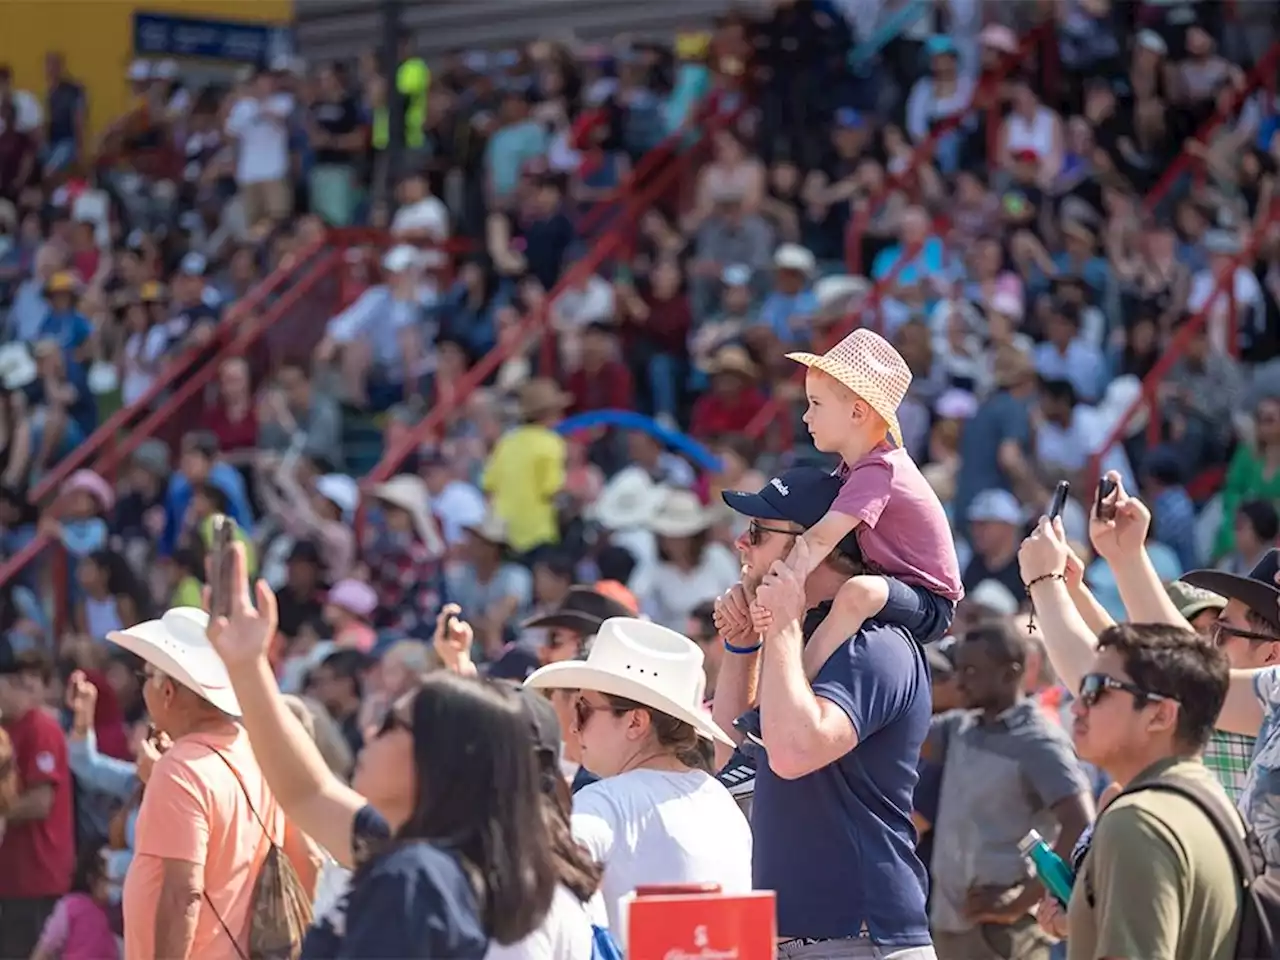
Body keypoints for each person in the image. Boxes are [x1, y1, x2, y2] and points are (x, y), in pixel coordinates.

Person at [189, 542, 584, 958]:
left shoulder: (414, 878)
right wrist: (247, 666)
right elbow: (307, 792)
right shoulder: (442, 860)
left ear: (440, 760)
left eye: (395, 725)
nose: (373, 730)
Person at [713, 466, 935, 958]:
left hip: (859, 939)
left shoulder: (874, 644)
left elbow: (794, 753)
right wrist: (742, 645)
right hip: (807, 940)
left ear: (813, 546)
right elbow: (728, 753)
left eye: (757, 533)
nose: (740, 545)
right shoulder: (805, 636)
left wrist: (783, 627)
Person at [1012, 537, 1242, 960]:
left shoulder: (1139, 821)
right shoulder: (1203, 797)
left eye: (1098, 689)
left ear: (1160, 715)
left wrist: (1046, 582)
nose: (1078, 703)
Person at [524, 617, 751, 941]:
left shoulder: (605, 801)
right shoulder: (719, 799)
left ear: (635, 722)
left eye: (584, 709)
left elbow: (541, 888)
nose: (574, 727)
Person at [751, 328, 962, 677]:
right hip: (890, 582)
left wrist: (780, 586)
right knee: (821, 608)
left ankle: (792, 692)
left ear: (858, 413)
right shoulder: (855, 466)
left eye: (816, 404)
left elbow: (820, 538)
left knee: (856, 592)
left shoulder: (879, 469)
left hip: (928, 601)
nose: (806, 416)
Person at [107, 615, 318, 960]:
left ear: (167, 690)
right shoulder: (253, 749)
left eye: (145, 676)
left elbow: (183, 894)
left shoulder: (180, 771)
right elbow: (306, 857)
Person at [926, 621, 1093, 960]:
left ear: (1009, 673)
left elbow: (1080, 823)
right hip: (950, 926)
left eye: (972, 670)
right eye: (959, 669)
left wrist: (1019, 902)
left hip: (1005, 937)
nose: (960, 681)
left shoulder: (1038, 741)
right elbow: (904, 733)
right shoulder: (962, 727)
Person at [0, 651, 74, 959]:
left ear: (11, 685)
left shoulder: (40, 727)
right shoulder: (7, 729)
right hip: (10, 879)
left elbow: (41, 801)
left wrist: (3, 815)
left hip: (36, 880)